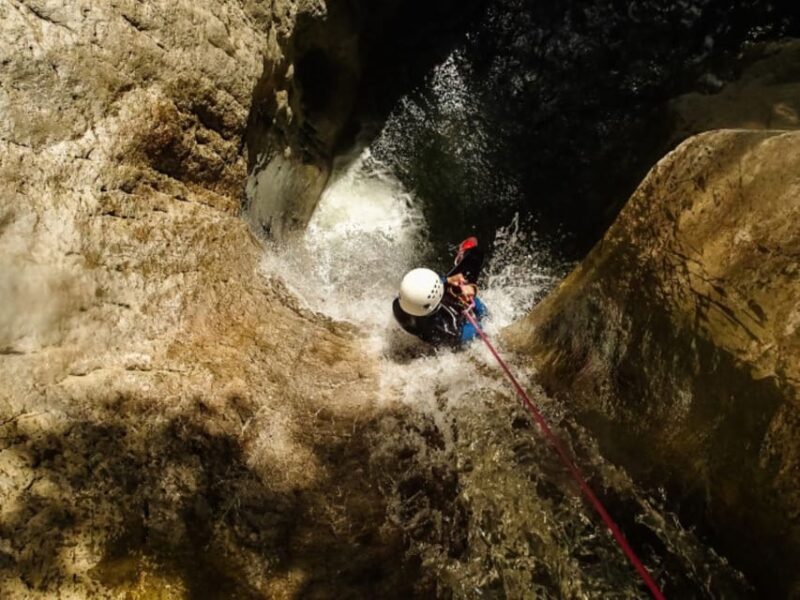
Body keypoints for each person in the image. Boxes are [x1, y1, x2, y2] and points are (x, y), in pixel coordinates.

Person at [392, 237, 488, 347]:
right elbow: (483, 322)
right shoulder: (451, 330)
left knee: (441, 288)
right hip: (442, 324)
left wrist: (447, 280)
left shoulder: (401, 305)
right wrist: (471, 297)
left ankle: (450, 282)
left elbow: (424, 295)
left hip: (425, 315)